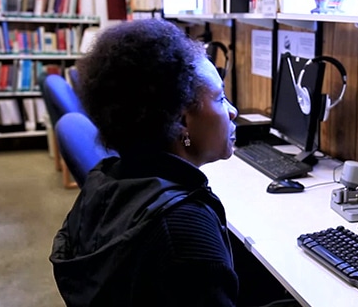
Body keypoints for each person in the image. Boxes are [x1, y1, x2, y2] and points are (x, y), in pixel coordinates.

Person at [49, 19, 239, 306]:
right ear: (182, 121)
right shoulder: (184, 231)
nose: (233, 112)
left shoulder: (109, 178)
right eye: (221, 98)